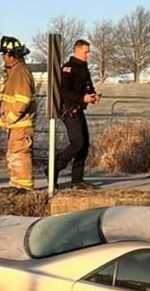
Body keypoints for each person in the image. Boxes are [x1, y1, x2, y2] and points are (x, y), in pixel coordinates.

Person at [52, 39, 100, 190]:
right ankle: (53, 169)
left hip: (78, 109)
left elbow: (88, 86)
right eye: (86, 51)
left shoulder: (84, 68)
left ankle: (77, 181)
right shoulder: (68, 68)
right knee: (77, 142)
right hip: (68, 110)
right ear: (77, 50)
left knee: (84, 145)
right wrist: (82, 98)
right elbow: (63, 91)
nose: (88, 54)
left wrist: (93, 95)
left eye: (88, 51)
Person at [0, 36, 36, 195]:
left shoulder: (20, 72)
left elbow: (23, 99)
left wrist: (11, 117)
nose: (2, 57)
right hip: (15, 124)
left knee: (20, 153)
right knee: (13, 154)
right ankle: (16, 183)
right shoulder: (13, 72)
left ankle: (24, 186)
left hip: (20, 123)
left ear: (11, 55)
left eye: (4, 54)